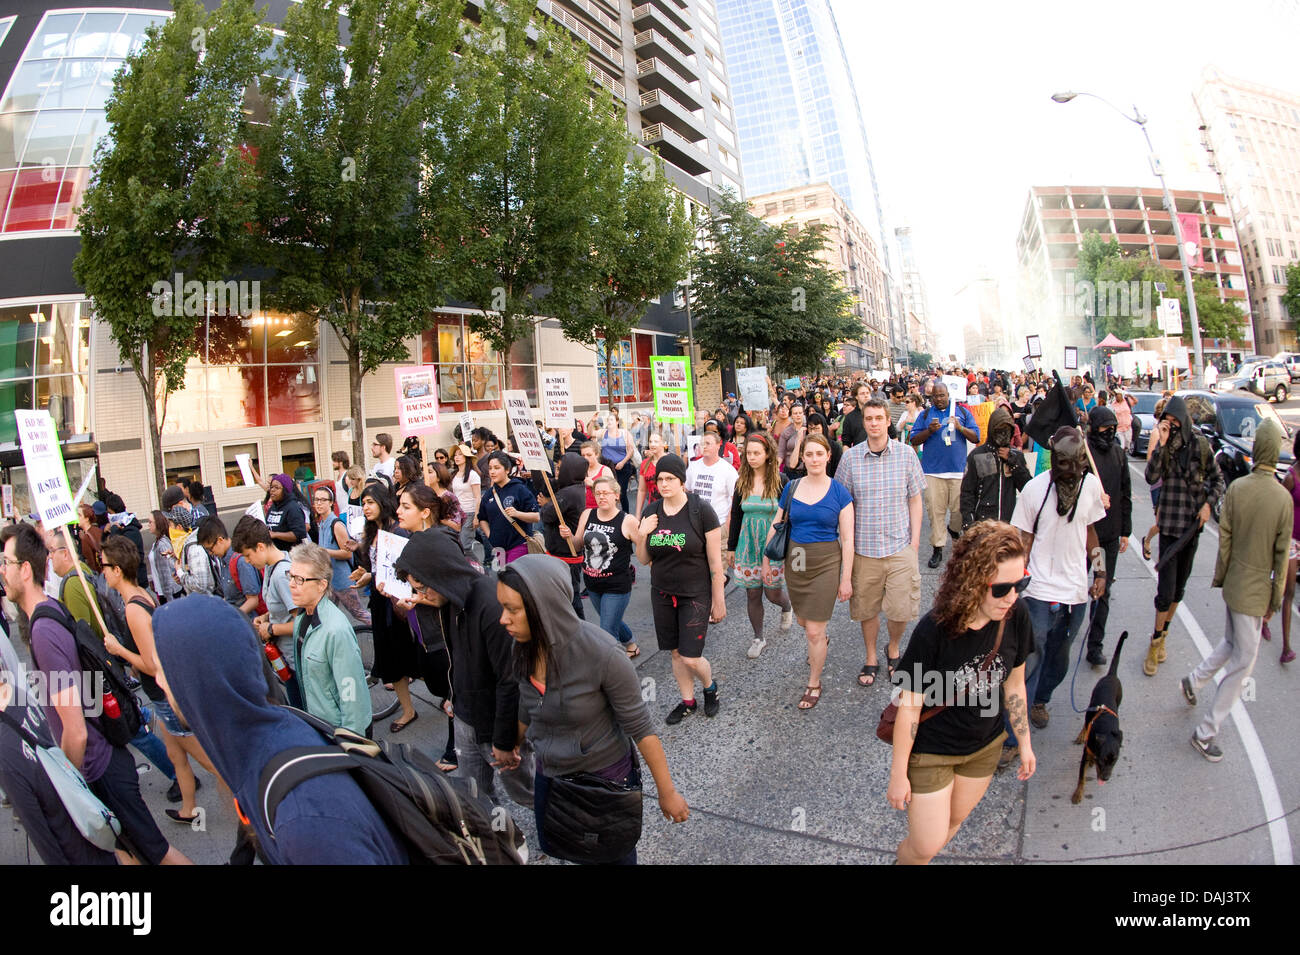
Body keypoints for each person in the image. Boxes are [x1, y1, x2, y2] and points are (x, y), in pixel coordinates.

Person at [151, 595, 409, 863]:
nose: (158, 680)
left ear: (197, 680)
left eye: (163, 669)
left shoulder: (305, 821)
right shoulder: (262, 738)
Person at [498, 557, 689, 864]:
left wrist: (667, 793)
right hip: (552, 778)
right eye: (502, 608)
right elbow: (527, 704)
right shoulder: (521, 646)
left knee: (613, 858)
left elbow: (641, 729)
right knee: (568, 850)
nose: (502, 619)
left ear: (542, 607)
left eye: (513, 609)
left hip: (603, 784)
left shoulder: (603, 653)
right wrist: (511, 745)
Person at [887, 522, 1036, 865]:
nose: (1012, 598)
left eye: (1020, 584)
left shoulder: (1017, 616)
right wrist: (898, 774)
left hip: (984, 748)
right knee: (925, 845)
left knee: (951, 824)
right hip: (933, 751)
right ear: (972, 583)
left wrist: (1025, 743)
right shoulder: (934, 629)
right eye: (1001, 589)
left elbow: (1014, 685)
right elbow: (910, 706)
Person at [394, 530, 532, 804]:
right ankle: (505, 843)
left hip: (493, 723)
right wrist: (452, 696)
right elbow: (456, 656)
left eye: (423, 588)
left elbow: (510, 680)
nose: (421, 594)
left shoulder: (491, 605)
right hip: (464, 717)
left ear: (441, 574)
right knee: (476, 798)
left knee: (527, 791)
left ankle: (555, 838)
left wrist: (505, 740)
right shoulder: (448, 599)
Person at [1182, 419, 1290, 760]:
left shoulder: (1239, 488)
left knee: (1231, 643)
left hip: (1234, 583)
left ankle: (1195, 679)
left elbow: (1224, 537)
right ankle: (1206, 731)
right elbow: (1281, 557)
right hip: (1256, 591)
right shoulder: (1282, 499)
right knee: (1244, 662)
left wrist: (1223, 576)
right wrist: (1274, 598)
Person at [100, 535, 224, 828]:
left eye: (104, 565)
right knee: (175, 754)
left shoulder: (133, 607)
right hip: (163, 692)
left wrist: (120, 651)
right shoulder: (141, 594)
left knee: (207, 760)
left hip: (163, 692)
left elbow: (151, 665)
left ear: (117, 570)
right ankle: (189, 807)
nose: (101, 570)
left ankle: (246, 801)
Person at [1007, 427, 1107, 747]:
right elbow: (1023, 539)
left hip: (1075, 593)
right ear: (1054, 460)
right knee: (1029, 659)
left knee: (1059, 658)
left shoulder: (1090, 487)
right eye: (1064, 465)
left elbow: (1091, 532)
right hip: (1038, 591)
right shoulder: (1035, 490)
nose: (1071, 473)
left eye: (1076, 466)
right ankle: (1011, 736)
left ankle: (1041, 699)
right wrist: (1012, 583)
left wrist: (1101, 572)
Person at [834, 398, 926, 688]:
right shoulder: (849, 459)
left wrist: (914, 543)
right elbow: (843, 505)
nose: (874, 423)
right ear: (864, 422)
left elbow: (915, 499)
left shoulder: (906, 455)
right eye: (869, 418)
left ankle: (894, 648)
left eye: (879, 418)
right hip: (864, 551)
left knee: (901, 611)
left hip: (900, 548)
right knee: (867, 609)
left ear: (888, 421)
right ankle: (872, 656)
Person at [762, 435, 853, 708]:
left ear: (828, 456)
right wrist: (767, 561)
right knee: (805, 622)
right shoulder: (791, 487)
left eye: (819, 454)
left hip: (826, 561)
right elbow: (776, 524)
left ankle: (814, 682)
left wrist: (846, 578)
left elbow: (848, 539)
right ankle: (821, 639)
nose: (814, 459)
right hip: (797, 559)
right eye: (809, 454)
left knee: (813, 630)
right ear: (803, 458)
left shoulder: (839, 492)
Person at [636, 453, 726, 724]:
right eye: (660, 479)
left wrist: (718, 600)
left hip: (695, 594)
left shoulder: (700, 510)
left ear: (682, 481)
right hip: (662, 592)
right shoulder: (651, 512)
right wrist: (643, 534)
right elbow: (643, 559)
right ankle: (688, 701)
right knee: (675, 653)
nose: (663, 484)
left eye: (670, 479)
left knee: (690, 657)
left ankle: (710, 687)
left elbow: (714, 561)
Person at [0, 660, 119, 864]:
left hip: (72, 848)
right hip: (84, 819)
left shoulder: (4, 752)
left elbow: (39, 831)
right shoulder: (15, 693)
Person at [1143, 396, 1225, 676]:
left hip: (1191, 529)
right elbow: (1150, 477)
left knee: (1179, 589)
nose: (1172, 427)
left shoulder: (1200, 446)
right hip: (1168, 527)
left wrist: (1207, 504)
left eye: (1176, 423)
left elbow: (1218, 480)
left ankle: (1164, 633)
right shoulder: (1165, 447)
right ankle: (1155, 641)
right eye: (1168, 422)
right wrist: (1162, 445)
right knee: (1164, 593)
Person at [349, 483, 421, 732]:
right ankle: (408, 710)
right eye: (364, 504)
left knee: (412, 655)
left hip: (399, 603)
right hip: (381, 602)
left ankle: (446, 697)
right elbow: (378, 568)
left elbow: (402, 571)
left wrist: (374, 575)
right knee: (391, 659)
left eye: (370, 502)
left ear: (382, 502)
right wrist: (367, 573)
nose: (366, 508)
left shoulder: (398, 531)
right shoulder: (371, 532)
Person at [286, 542, 372, 736]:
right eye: (290, 576)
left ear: (321, 585)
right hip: (320, 726)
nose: (291, 584)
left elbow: (352, 691)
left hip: (338, 732)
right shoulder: (302, 619)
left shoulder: (336, 630)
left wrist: (352, 740)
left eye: (299, 579)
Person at [727, 433, 793, 659]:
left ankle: (786, 607)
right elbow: (736, 514)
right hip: (748, 544)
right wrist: (732, 547)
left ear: (768, 455)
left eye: (757, 453)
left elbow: (789, 517)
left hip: (771, 544)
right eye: (748, 453)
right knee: (753, 594)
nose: (752, 457)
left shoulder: (781, 481)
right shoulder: (741, 481)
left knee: (772, 593)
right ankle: (758, 638)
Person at [230, 515, 304, 708]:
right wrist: (265, 617)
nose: (246, 561)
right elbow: (281, 609)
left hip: (297, 662)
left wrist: (271, 629)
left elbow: (302, 623)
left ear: (261, 547)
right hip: (286, 658)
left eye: (248, 555)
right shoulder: (271, 568)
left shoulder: (281, 575)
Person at [567, 475, 640, 656]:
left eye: (606, 493)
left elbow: (645, 550)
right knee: (610, 620)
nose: (601, 497)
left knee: (607, 633)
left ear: (616, 495)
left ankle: (613, 677)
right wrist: (569, 536)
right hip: (592, 583)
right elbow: (577, 545)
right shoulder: (587, 514)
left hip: (617, 585)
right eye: (598, 493)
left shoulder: (627, 520)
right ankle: (631, 645)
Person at [1083, 407, 1133, 666]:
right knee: (1078, 585)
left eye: (1113, 428)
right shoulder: (1083, 455)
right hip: (1085, 537)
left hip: (1107, 540)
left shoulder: (1118, 454)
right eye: (1104, 427)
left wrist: (1126, 530)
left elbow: (1125, 492)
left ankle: (1095, 644)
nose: (1109, 432)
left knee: (1103, 589)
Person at [911, 383, 979, 568]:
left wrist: (960, 427)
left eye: (942, 395)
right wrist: (929, 431)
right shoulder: (925, 415)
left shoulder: (962, 412)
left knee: (958, 511)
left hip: (957, 471)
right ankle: (938, 548)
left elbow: (976, 437)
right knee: (935, 512)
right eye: (935, 396)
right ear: (931, 397)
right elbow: (913, 439)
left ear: (948, 394)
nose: (939, 399)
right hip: (933, 472)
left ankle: (954, 530)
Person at [959, 405, 1031, 530]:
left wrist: (1013, 462)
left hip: (1008, 524)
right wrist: (968, 523)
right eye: (1000, 430)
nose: (1003, 434)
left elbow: (1027, 487)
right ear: (992, 429)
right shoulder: (979, 455)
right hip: (983, 524)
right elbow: (967, 492)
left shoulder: (1016, 456)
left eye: (1007, 430)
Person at [539, 451, 589, 619]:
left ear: (570, 471)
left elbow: (547, 515)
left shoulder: (568, 493)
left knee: (570, 598)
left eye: (560, 469)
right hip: (566, 552)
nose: (557, 472)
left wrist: (546, 504)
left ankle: (581, 633)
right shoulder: (576, 488)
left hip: (565, 554)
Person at [311, 484, 370, 624]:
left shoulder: (336, 524)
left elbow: (347, 553)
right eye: (316, 500)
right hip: (329, 581)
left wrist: (324, 551)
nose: (319, 503)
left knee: (359, 613)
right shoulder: (322, 523)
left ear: (331, 503)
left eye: (323, 500)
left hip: (342, 579)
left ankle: (383, 632)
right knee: (326, 614)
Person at [479, 451, 541, 567]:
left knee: (514, 578)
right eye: (490, 468)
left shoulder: (520, 489)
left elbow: (536, 517)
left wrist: (517, 514)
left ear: (507, 470)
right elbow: (482, 518)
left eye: (497, 468)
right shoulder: (488, 494)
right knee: (501, 579)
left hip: (519, 545)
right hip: (499, 550)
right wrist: (490, 536)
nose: (492, 471)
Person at [685, 431, 739, 542]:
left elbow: (735, 500)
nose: (704, 446)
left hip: (719, 525)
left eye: (708, 443)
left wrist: (728, 527)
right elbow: (687, 492)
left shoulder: (728, 470)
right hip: (696, 526)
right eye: (701, 443)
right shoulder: (693, 467)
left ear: (718, 445)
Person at [1276, 431, 1300, 665]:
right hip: (1291, 539)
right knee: (1289, 591)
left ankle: (1264, 618)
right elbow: (1280, 506)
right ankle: (1286, 646)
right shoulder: (1291, 477)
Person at [595, 407, 636, 512]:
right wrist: (592, 421)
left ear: (617, 422)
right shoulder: (604, 433)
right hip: (607, 467)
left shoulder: (624, 433)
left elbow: (631, 450)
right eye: (608, 420)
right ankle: (611, 514)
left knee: (620, 493)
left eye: (611, 420)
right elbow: (591, 433)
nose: (609, 422)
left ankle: (625, 514)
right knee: (608, 491)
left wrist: (622, 462)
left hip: (622, 467)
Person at [145, 510, 184, 604]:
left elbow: (167, 572)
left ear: (158, 523)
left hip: (168, 593)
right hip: (163, 591)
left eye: (150, 522)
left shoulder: (162, 544)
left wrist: (168, 597)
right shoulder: (157, 542)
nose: (148, 525)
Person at [451, 444, 483, 558]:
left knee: (465, 545)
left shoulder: (473, 475)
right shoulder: (454, 475)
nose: (457, 457)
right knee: (459, 545)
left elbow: (478, 497)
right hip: (457, 514)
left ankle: (479, 568)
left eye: (460, 454)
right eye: (455, 455)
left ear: (466, 457)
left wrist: (476, 516)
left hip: (469, 513)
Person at [264, 473, 309, 548]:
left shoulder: (293, 508)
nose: (272, 490)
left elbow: (299, 534)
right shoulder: (273, 507)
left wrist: (276, 534)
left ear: (285, 490)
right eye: (271, 487)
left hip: (291, 553)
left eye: (276, 488)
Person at [635, 431, 667, 518]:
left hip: (670, 510)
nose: (652, 444)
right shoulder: (645, 464)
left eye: (656, 442)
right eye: (650, 441)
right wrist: (638, 514)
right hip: (653, 510)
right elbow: (642, 490)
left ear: (664, 443)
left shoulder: (670, 461)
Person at [777, 402, 808, 477]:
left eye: (800, 413)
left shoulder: (808, 429)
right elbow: (781, 452)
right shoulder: (786, 432)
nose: (798, 415)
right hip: (789, 470)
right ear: (791, 415)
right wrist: (776, 466)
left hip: (805, 470)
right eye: (795, 413)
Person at [839, 382, 871, 447]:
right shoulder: (850, 418)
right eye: (862, 393)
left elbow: (892, 435)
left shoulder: (879, 412)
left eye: (867, 393)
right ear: (856, 396)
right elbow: (846, 444)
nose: (866, 395)